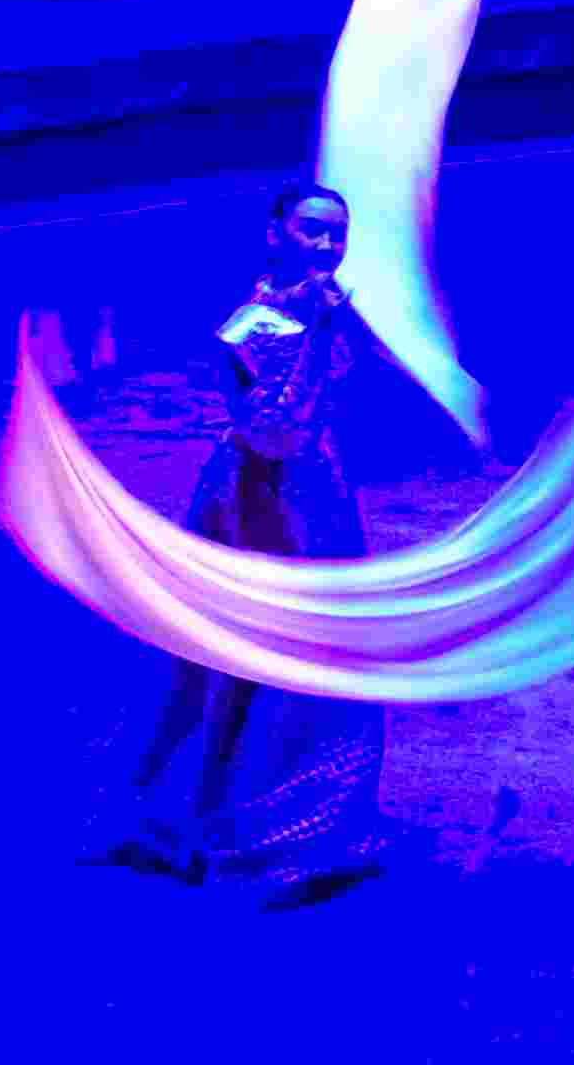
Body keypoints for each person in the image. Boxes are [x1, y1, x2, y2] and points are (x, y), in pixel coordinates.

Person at [105, 178, 388, 900]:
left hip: (317, 498)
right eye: (311, 229)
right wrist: (322, 335)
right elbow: (276, 432)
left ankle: (317, 827)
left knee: (320, 650)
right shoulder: (254, 325)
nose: (327, 243)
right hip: (263, 505)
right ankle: (247, 829)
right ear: (275, 234)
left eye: (338, 231)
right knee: (258, 654)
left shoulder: (321, 308)